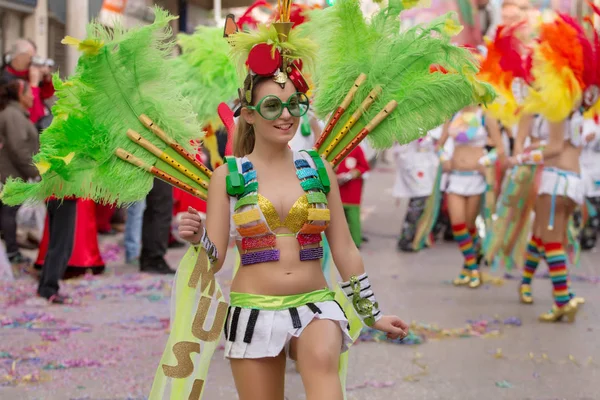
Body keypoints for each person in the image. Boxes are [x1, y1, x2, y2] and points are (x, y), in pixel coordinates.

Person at [438, 106, 506, 288]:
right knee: (458, 225)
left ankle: (466, 269)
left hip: (475, 179)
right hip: (456, 178)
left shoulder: (485, 115)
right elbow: (439, 146)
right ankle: (474, 268)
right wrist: (444, 159)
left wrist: (484, 162)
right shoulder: (452, 113)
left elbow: (499, 149)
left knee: (469, 226)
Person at [0, 79, 39, 264]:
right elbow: (18, 149)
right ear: (21, 96)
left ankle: (11, 251)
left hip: (13, 173)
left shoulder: (17, 114)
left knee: (8, 212)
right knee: (9, 212)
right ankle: (11, 252)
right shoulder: (13, 115)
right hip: (10, 174)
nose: (33, 96)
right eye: (30, 93)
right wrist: (34, 171)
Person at [1, 39, 55, 125]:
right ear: (19, 57)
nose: (32, 61)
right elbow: (34, 116)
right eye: (31, 57)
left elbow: (45, 94)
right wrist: (34, 84)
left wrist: (47, 79)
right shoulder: (6, 81)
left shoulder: (25, 73)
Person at [336, 144, 370, 248]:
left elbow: (364, 166)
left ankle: (356, 241)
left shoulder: (357, 148)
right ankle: (338, 242)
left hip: (352, 191)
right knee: (337, 220)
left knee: (353, 218)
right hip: (337, 191)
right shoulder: (334, 147)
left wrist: (353, 174)